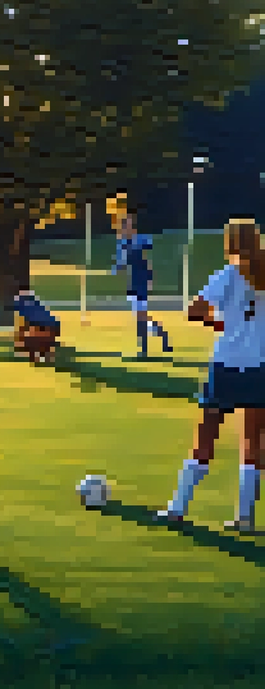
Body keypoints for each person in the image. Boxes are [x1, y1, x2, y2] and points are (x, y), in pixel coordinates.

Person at [156, 218, 265, 533]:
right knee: (252, 443)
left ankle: (177, 508)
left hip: (226, 364)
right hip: (260, 366)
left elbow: (194, 310)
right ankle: (244, 517)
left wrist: (220, 326)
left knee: (205, 439)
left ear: (229, 242)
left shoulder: (228, 275)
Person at [113, 214, 172, 357]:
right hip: (131, 283)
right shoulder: (121, 244)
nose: (127, 227)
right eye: (124, 225)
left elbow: (148, 260)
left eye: (129, 224)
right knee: (141, 317)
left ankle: (144, 349)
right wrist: (116, 269)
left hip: (141, 281)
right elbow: (121, 264)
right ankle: (161, 334)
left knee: (141, 317)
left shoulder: (141, 240)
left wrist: (150, 279)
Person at [11, 289, 62, 364]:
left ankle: (37, 356)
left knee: (30, 339)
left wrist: (20, 342)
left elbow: (25, 328)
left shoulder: (26, 310)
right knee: (35, 337)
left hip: (49, 331)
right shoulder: (39, 307)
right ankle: (44, 353)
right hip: (53, 329)